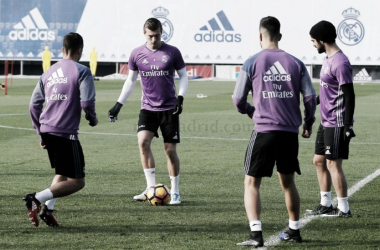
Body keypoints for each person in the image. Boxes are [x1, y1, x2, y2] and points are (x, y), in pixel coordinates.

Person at [233, 16, 316, 247]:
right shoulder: (296, 63)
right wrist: (308, 123)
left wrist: (251, 110)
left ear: (260, 35)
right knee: (288, 183)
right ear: (279, 36)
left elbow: (237, 99)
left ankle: (256, 235)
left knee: (251, 183)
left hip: (264, 131)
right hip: (289, 133)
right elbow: (310, 98)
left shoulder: (252, 62)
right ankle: (294, 230)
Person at [108, 18, 188, 205]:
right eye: (150, 36)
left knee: (169, 151)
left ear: (162, 33)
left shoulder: (172, 52)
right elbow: (131, 80)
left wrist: (181, 97)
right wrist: (119, 104)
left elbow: (183, 75)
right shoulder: (137, 54)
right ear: (144, 33)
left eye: (157, 35)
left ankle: (175, 191)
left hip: (169, 108)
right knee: (143, 142)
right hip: (148, 108)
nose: (154, 39)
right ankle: (150, 188)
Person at [25, 32, 98, 227]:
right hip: (66, 133)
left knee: (62, 172)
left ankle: (48, 211)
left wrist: (40, 132)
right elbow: (87, 102)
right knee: (78, 181)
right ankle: (37, 198)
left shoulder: (48, 72)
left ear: (62, 49)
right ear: (80, 51)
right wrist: (92, 118)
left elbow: (33, 106)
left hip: (48, 130)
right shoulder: (82, 71)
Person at [306, 20, 355, 217]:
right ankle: (325, 203)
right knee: (319, 161)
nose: (313, 44)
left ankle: (344, 209)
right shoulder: (327, 58)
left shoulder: (340, 62)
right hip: (325, 121)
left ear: (322, 40)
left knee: (333, 163)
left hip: (337, 122)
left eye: (313, 40)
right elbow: (328, 92)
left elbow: (349, 95)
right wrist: (311, 102)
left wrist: (348, 124)